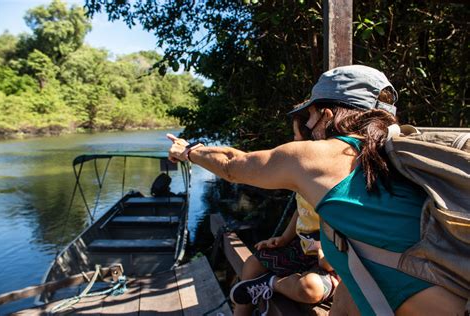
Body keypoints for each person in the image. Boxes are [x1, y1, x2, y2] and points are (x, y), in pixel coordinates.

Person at [167, 65, 466, 315]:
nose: (308, 127)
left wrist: (189, 151)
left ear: (326, 114)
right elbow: (355, 282)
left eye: (309, 115)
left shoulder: (322, 156)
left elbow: (233, 164)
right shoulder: (395, 157)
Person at [227, 108, 339, 316]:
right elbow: (301, 210)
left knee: (310, 289)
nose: (293, 140)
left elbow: (339, 235)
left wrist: (329, 255)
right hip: (304, 247)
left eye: (296, 135)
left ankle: (271, 283)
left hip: (334, 258)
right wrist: (285, 238)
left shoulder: (332, 180)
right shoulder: (304, 175)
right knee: (253, 263)